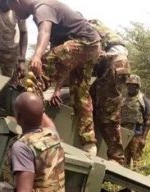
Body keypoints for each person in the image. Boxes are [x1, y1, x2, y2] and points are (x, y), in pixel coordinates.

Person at [7, 0, 102, 155]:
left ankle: (39, 129)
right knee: (80, 94)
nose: (17, 15)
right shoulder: (45, 7)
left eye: (14, 10)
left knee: (37, 70)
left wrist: (37, 55)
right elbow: (62, 61)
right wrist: (57, 88)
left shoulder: (42, 7)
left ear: (17, 2)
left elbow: (44, 32)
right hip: (92, 45)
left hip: (83, 42)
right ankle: (89, 144)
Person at [89, 19, 130, 164]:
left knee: (109, 113)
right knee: (91, 100)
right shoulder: (95, 26)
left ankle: (117, 157)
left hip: (114, 64)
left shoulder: (85, 27)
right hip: (113, 64)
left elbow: (93, 51)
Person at [121, 75, 150, 168]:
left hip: (137, 134)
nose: (130, 87)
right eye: (129, 85)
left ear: (138, 86)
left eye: (133, 85)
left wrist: (143, 138)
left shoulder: (143, 99)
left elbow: (147, 121)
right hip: (124, 133)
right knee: (123, 161)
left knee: (136, 162)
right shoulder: (123, 97)